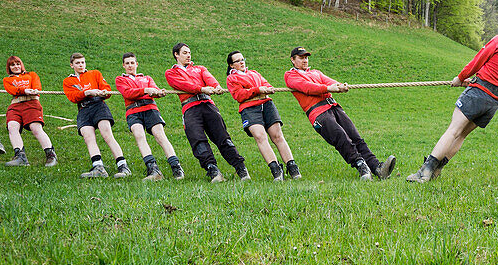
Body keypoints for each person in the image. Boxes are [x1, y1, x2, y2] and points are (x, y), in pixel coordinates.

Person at [407, 17, 498, 183]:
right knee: (461, 135)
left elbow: (478, 60)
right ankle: (437, 170)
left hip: (478, 93)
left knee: (453, 130)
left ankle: (425, 172)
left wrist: (461, 78)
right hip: (494, 102)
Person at [284, 46, 395, 181]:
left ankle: (377, 167)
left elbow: (328, 81)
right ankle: (361, 166)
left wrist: (339, 85)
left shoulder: (315, 72)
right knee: (342, 138)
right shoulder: (290, 76)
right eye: (301, 58)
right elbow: (307, 87)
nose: (305, 60)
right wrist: (328, 88)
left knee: (356, 137)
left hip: (334, 107)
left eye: (306, 58)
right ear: (292, 60)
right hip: (318, 113)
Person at [164, 43, 250, 183]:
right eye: (185, 53)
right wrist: (202, 89)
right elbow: (183, 85)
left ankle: (240, 167)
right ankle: (213, 170)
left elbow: (209, 78)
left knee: (222, 137)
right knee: (197, 139)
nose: (188, 55)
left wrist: (216, 86)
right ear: (176, 55)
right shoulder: (171, 73)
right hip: (190, 107)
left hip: (208, 105)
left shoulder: (199, 69)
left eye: (189, 52)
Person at [226, 50, 302, 181]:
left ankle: (292, 166)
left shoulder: (254, 73)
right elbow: (239, 95)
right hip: (249, 108)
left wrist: (267, 88)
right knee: (260, 137)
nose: (241, 62)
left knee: (277, 136)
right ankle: (276, 170)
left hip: (266, 105)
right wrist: (257, 90)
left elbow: (265, 83)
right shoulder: (231, 78)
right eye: (237, 61)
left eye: (242, 59)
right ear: (232, 65)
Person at [115, 52, 185, 181]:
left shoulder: (146, 78)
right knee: (139, 135)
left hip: (150, 108)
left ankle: (176, 167)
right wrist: (145, 91)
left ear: (136, 64)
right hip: (133, 111)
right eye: (127, 63)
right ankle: (153, 170)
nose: (130, 66)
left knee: (160, 136)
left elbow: (154, 89)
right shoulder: (120, 79)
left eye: (132, 63)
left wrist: (159, 93)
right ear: (123, 66)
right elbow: (128, 93)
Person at [62, 53, 131, 179]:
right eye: (77, 63)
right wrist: (87, 92)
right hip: (83, 109)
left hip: (98, 105)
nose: (81, 65)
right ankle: (98, 167)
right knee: (88, 137)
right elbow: (72, 97)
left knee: (107, 134)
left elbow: (107, 89)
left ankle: (123, 166)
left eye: (82, 62)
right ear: (72, 65)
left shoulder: (95, 74)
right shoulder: (68, 81)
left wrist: (104, 92)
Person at [1, 56, 57, 167]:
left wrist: (34, 90)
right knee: (12, 126)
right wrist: (24, 90)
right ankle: (20, 157)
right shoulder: (7, 80)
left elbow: (37, 86)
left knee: (35, 128)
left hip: (31, 103)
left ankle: (51, 155)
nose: (16, 66)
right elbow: (12, 90)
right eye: (12, 65)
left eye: (18, 64)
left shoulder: (31, 75)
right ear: (9, 68)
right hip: (15, 105)